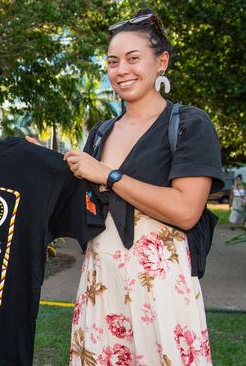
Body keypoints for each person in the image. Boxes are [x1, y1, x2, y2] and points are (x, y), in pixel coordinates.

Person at [64, 10, 222, 365]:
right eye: (113, 62)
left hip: (160, 285)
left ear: (161, 62)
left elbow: (185, 211)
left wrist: (109, 175)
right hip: (102, 280)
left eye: (133, 59)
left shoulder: (188, 125)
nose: (122, 70)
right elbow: (82, 205)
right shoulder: (101, 133)